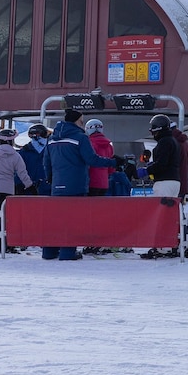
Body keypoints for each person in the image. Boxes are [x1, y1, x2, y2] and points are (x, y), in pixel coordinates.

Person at [44, 108, 117, 261]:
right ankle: (67, 253)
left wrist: (51, 179)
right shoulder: (80, 138)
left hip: (57, 186)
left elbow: (47, 162)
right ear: (77, 121)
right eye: (82, 121)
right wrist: (113, 162)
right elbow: (92, 159)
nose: (82, 124)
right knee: (72, 220)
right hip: (75, 185)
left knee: (56, 220)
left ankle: (49, 252)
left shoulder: (51, 139)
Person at [18, 124, 50, 195]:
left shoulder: (51, 150)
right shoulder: (25, 151)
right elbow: (19, 171)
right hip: (29, 190)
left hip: (47, 190)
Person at [85, 120, 114, 196]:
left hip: (91, 182)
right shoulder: (109, 146)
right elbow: (111, 168)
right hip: (104, 183)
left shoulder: (88, 144)